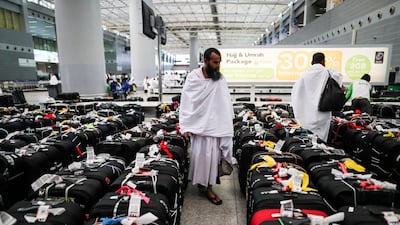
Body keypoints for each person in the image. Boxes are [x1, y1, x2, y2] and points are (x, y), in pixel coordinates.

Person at [179, 47, 235, 205]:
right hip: (198, 126)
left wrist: (227, 122)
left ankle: (209, 188)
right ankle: (202, 185)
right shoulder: (193, 77)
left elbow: (225, 102)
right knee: (200, 158)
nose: (218, 66)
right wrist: (186, 125)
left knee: (212, 159)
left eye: (219, 62)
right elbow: (187, 102)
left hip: (215, 126)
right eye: (215, 62)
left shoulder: (220, 78)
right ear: (205, 61)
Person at [291, 52, 343, 142]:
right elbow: (338, 80)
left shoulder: (303, 76)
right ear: (323, 61)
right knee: (321, 139)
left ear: (312, 62)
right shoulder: (328, 73)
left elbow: (295, 93)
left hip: (306, 115)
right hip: (322, 112)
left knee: (306, 138)